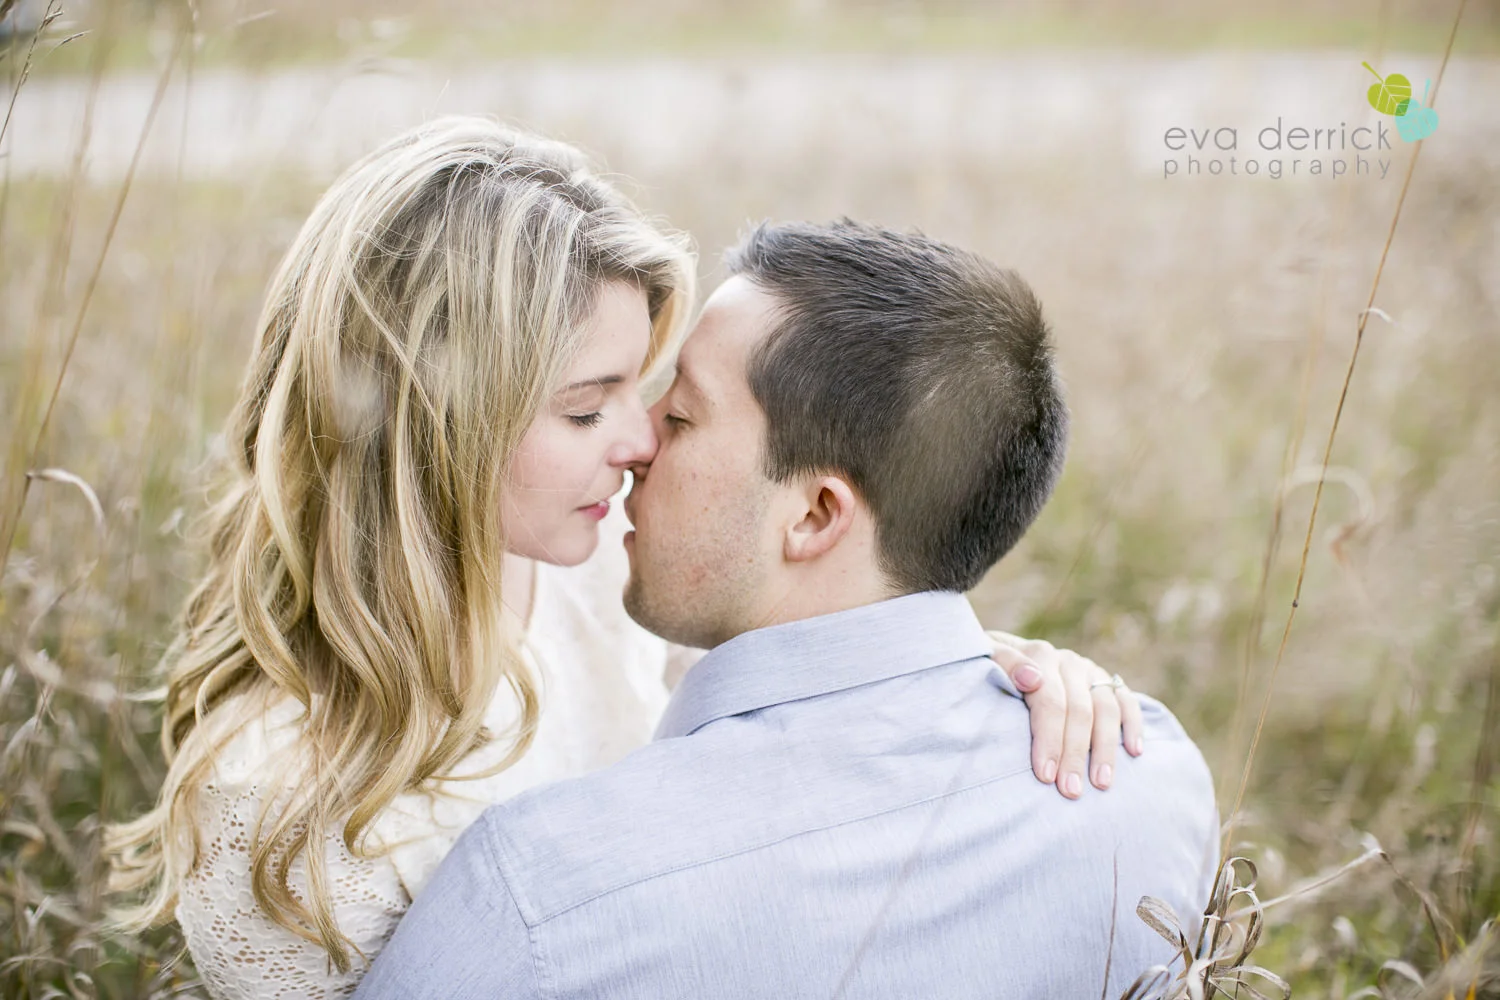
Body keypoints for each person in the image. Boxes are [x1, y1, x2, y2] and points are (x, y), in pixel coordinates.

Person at [106, 118, 1145, 999]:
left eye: (641, 391)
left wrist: (991, 673)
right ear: (436, 419)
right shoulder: (279, 817)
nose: (642, 440)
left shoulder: (591, 567)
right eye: (585, 406)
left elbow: (799, 696)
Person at [356, 220, 1220, 1000]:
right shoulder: (1153, 787)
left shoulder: (537, 897)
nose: (640, 441)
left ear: (814, 516)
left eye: (683, 413)